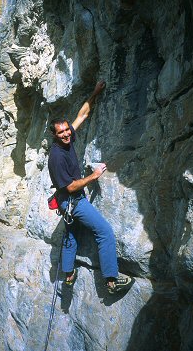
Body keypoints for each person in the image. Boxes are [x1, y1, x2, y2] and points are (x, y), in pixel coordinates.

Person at [48, 81, 132, 294]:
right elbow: (71, 186)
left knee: (71, 234)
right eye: (62, 133)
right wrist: (93, 177)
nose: (67, 134)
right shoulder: (56, 156)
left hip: (68, 203)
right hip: (73, 201)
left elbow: (82, 115)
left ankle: (68, 274)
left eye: (67, 130)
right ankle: (111, 281)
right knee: (104, 232)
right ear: (54, 136)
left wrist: (94, 92)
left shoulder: (66, 141)